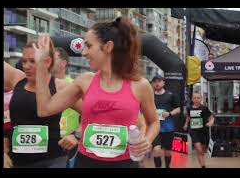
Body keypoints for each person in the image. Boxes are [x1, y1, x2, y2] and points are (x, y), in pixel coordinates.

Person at [33, 17, 160, 168]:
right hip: (86, 163)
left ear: (108, 46)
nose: (84, 53)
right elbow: (44, 109)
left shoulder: (140, 85)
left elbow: (153, 122)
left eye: (89, 46)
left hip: (125, 164)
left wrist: (147, 140)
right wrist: (41, 66)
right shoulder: (84, 81)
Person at [3, 40, 82, 168]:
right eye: (24, 61)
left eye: (33, 61)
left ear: (47, 61)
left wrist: (76, 135)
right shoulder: (17, 79)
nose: (27, 66)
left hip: (52, 160)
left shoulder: (61, 86)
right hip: (16, 160)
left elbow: (91, 112)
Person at [151, 75, 180, 168]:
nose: (157, 83)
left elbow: (178, 109)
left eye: (159, 81)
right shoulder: (149, 95)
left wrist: (170, 113)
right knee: (156, 150)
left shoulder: (170, 95)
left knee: (167, 152)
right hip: (154, 128)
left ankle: (167, 166)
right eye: (154, 81)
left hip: (168, 128)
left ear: (163, 83)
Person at [183, 92, 214, 168]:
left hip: (203, 131)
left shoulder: (204, 108)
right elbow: (188, 117)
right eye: (194, 98)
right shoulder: (189, 108)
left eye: (198, 98)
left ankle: (202, 164)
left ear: (201, 99)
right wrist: (186, 124)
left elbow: (211, 116)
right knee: (199, 149)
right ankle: (203, 166)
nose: (196, 99)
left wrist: (211, 122)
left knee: (202, 151)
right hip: (193, 131)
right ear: (192, 99)